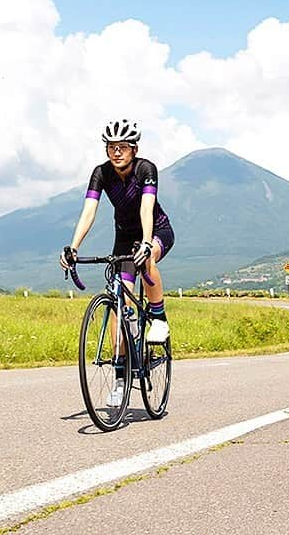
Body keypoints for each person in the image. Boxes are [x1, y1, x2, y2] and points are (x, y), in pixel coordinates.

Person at [59, 120, 175, 405]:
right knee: (118, 301)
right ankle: (121, 377)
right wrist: (73, 247)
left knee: (146, 260)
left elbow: (147, 207)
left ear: (134, 149)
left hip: (156, 231)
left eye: (122, 147)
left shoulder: (145, 169)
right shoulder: (101, 174)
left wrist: (148, 243)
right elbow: (89, 212)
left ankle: (158, 318)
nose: (116, 152)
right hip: (123, 239)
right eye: (111, 147)